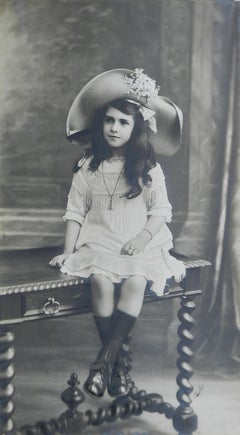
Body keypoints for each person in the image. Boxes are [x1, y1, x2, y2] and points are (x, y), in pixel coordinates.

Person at [49, 68, 186, 400]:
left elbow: (161, 211)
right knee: (99, 279)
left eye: (123, 123)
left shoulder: (148, 168)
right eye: (110, 120)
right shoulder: (88, 166)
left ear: (135, 127)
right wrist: (68, 252)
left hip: (139, 239)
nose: (114, 127)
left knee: (136, 280)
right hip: (100, 239)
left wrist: (142, 238)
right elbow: (75, 211)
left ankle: (102, 365)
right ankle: (115, 367)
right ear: (101, 124)